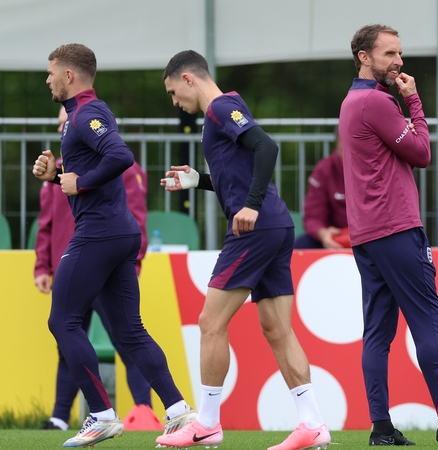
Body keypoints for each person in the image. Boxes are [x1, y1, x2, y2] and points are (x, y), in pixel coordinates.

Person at [155, 50, 330, 450]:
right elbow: (240, 173)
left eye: (172, 92)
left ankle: (208, 423)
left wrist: (250, 205)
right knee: (277, 329)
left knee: (209, 322)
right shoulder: (225, 110)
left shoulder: (220, 107)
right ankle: (313, 423)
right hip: (276, 225)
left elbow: (266, 148)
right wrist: (199, 180)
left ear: (187, 78)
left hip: (257, 227)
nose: (174, 102)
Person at [339, 24, 438, 446]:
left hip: (367, 234)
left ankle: (381, 428)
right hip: (396, 228)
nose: (399, 61)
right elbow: (422, 153)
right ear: (364, 57)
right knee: (428, 324)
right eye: (390, 53)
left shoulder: (351, 101)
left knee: (377, 332)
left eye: (399, 53)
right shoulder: (376, 101)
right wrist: (413, 101)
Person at [31, 43, 195, 448]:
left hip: (99, 233)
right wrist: (57, 176)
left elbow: (120, 156)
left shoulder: (86, 113)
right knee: (129, 330)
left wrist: (78, 180)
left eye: (51, 72)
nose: (47, 79)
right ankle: (179, 412)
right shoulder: (80, 116)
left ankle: (102, 415)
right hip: (118, 233)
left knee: (62, 321)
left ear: (69, 75)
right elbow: (91, 172)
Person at [36, 106, 161, 431]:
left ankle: (143, 411)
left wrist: (133, 260)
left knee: (125, 338)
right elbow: (46, 226)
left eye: (68, 126)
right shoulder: (60, 173)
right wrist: (42, 266)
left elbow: (134, 217)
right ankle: (60, 417)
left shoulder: (113, 170)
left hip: (104, 267)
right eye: (61, 126)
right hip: (70, 267)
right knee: (67, 341)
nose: (65, 131)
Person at [294, 129, 349, 249]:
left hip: (372, 237)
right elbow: (313, 216)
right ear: (337, 142)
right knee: (301, 244)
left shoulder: (379, 169)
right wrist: (323, 233)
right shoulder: (324, 170)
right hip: (335, 237)